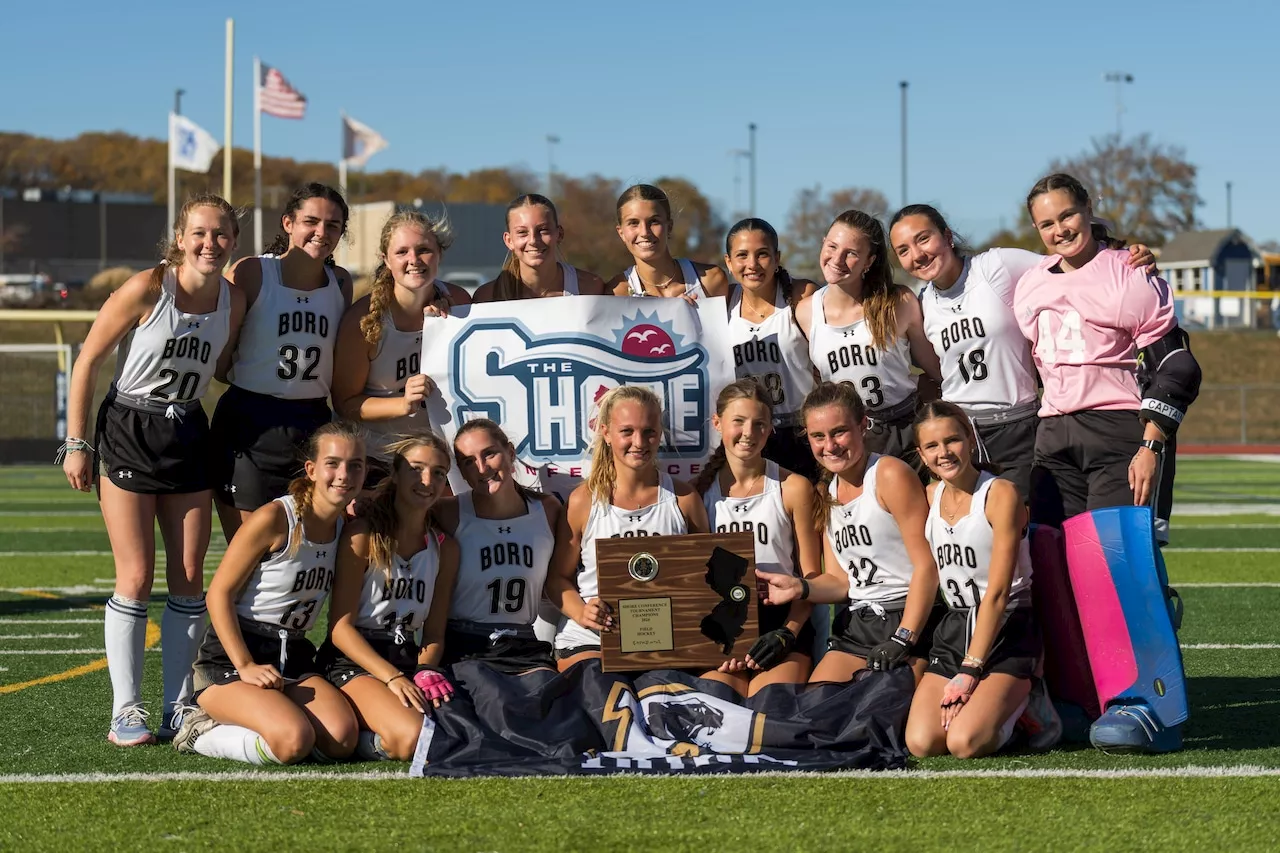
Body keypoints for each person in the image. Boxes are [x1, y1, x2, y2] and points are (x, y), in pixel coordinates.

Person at [60, 194, 246, 746]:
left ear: (234, 241)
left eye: (220, 235)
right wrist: (76, 442)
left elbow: (222, 365)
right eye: (200, 233)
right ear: (180, 237)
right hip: (129, 430)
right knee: (136, 576)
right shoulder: (147, 287)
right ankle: (126, 711)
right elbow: (89, 359)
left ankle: (177, 706)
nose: (210, 243)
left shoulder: (231, 298)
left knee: (190, 575)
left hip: (188, 430)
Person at [888, 204, 1156, 500]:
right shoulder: (922, 302)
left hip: (1017, 426)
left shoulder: (996, 266)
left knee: (1025, 535)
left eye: (923, 239)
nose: (917, 254)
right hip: (960, 433)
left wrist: (1120, 255)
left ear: (948, 236)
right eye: (903, 250)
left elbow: (1070, 262)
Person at [1017, 173, 1200, 543]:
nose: (1061, 230)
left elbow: (1177, 366)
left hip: (1115, 431)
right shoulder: (1030, 283)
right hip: (1053, 435)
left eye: (1067, 215)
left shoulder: (1129, 273)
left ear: (1088, 209)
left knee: (1116, 562)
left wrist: (1151, 446)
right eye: (1047, 224)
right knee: (1051, 563)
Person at [171, 422, 366, 764]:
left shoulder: (344, 527)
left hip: (294, 652)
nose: (344, 474)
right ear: (311, 469)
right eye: (332, 463)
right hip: (234, 655)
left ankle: (270, 714)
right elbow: (219, 593)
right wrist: (244, 664)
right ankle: (202, 729)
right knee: (293, 741)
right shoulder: (276, 517)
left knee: (341, 739)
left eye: (355, 465)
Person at [759, 382, 939, 684]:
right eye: (818, 436)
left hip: (908, 616)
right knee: (817, 707)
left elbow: (927, 566)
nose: (830, 446)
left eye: (839, 432)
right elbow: (840, 583)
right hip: (859, 622)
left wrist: (904, 637)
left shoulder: (888, 475)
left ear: (863, 425)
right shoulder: (827, 492)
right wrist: (799, 588)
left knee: (874, 713)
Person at [903, 401, 1055, 759]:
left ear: (970, 440)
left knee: (964, 742)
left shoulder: (1000, 493)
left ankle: (1029, 707)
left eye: (952, 440)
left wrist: (971, 669)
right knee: (923, 743)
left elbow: (999, 593)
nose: (944, 453)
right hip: (955, 626)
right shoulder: (928, 496)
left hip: (1006, 626)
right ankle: (994, 706)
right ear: (921, 455)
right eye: (932, 446)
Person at [209, 184, 353, 539]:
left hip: (314, 423)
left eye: (333, 225)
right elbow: (221, 362)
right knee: (249, 549)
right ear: (288, 223)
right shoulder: (252, 273)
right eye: (311, 221)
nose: (321, 232)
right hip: (251, 422)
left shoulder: (341, 282)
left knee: (306, 549)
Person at [319, 432, 459, 762]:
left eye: (439, 473)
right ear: (395, 474)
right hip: (355, 661)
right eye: (416, 469)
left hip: (408, 659)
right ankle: (350, 732)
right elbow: (340, 630)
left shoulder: (445, 548)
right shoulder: (364, 534)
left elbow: (435, 633)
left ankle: (368, 724)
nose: (428, 480)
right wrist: (393, 678)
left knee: (455, 727)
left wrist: (425, 669)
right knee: (413, 738)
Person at [548, 385, 709, 670]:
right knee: (604, 701)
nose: (639, 442)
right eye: (627, 431)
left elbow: (707, 578)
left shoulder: (684, 499)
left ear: (660, 434)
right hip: (593, 640)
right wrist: (583, 612)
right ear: (606, 434)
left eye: (649, 431)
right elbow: (557, 579)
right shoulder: (584, 501)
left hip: (668, 640)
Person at [695, 379, 822, 694]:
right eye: (738, 421)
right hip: (721, 624)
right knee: (717, 706)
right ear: (717, 423)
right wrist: (716, 641)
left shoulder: (792, 487)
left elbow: (811, 577)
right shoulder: (698, 493)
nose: (748, 432)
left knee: (769, 706)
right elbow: (692, 581)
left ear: (770, 430)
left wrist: (787, 634)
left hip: (781, 622)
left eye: (759, 424)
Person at [795, 211, 941, 469]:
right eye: (832, 246)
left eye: (851, 253)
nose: (837, 259)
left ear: (869, 261)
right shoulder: (806, 311)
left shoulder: (898, 302)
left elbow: (935, 367)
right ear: (823, 243)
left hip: (903, 428)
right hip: (845, 436)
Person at [332, 210, 471, 480]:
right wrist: (402, 404)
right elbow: (345, 403)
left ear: (439, 254)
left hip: (442, 460)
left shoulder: (459, 300)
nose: (413, 260)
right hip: (380, 460)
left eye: (423, 250)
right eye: (402, 252)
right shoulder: (363, 321)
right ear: (386, 259)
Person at [432, 419, 570, 672]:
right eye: (469, 462)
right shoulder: (447, 512)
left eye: (489, 454)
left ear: (510, 451)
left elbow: (558, 581)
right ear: (461, 472)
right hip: (465, 644)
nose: (482, 468)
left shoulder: (548, 509)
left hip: (524, 643)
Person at [722, 218, 820, 480]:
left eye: (762, 254)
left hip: (801, 432)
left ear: (777, 258)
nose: (752, 264)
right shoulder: (722, 304)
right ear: (729, 262)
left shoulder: (801, 295)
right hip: (749, 435)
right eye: (742, 255)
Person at [472, 194, 606, 301]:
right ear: (509, 240)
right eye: (522, 232)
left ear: (559, 234)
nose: (533, 241)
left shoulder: (590, 288)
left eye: (543, 230)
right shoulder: (487, 297)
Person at [607, 184, 729, 300]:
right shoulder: (616, 294)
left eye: (654, 221)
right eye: (633, 223)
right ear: (621, 232)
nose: (644, 232)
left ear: (669, 226)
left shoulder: (711, 281)